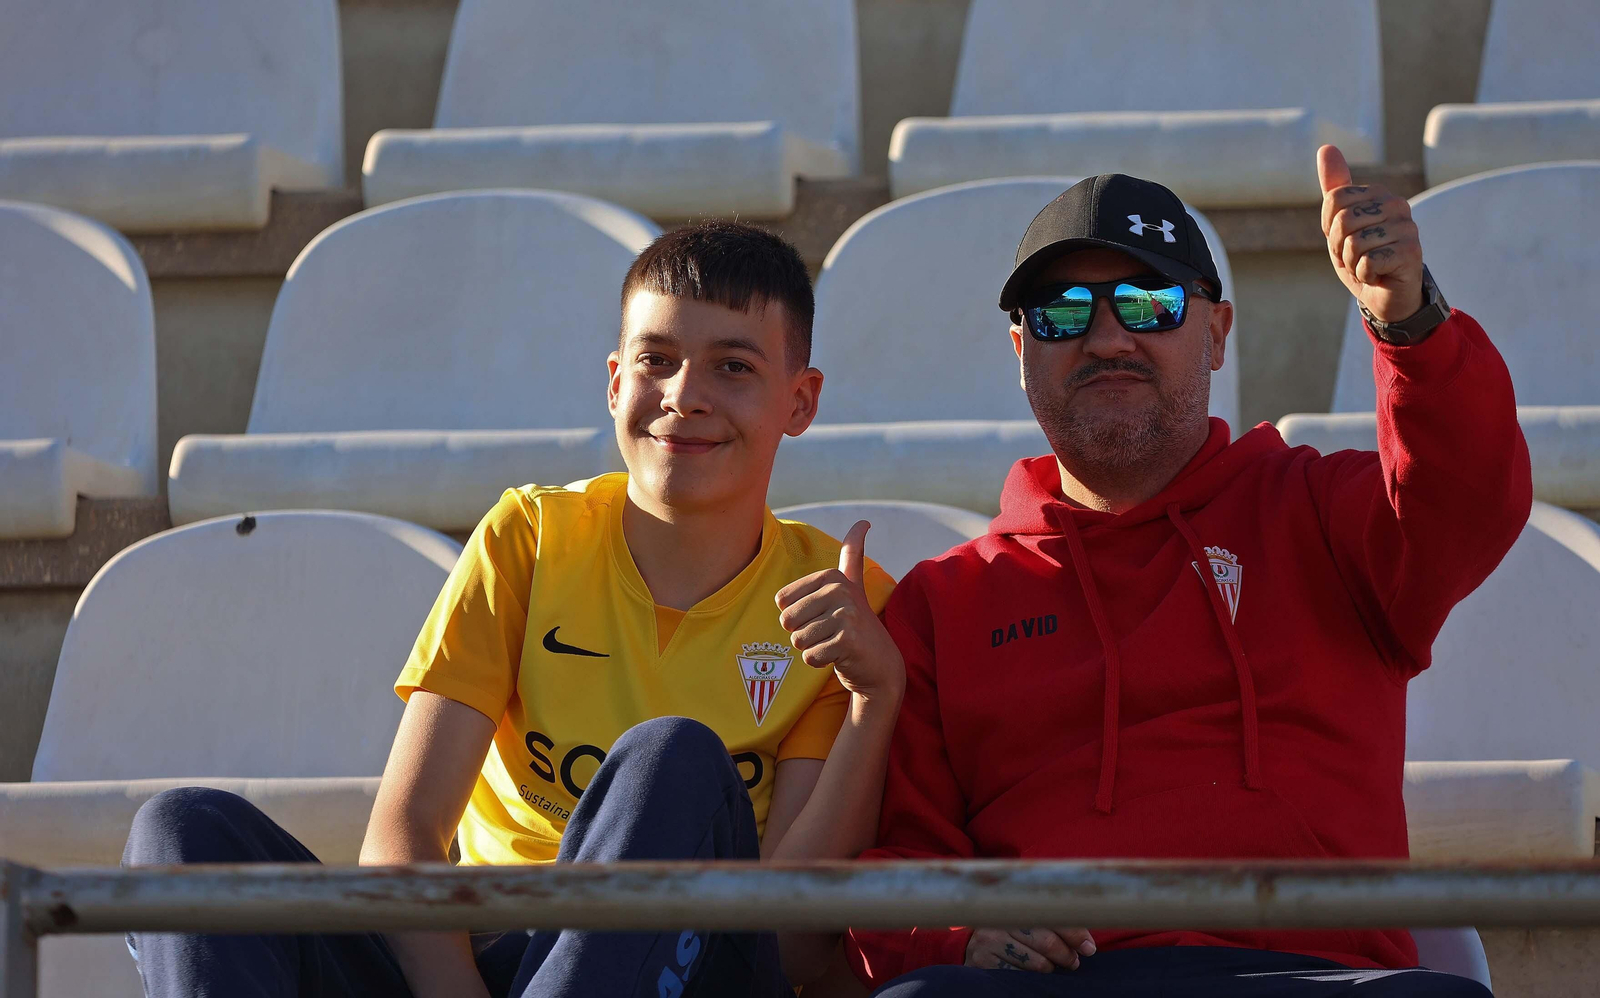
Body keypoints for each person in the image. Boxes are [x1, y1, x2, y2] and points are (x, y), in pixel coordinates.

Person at [123, 221, 903, 997]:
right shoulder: (531, 536)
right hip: (475, 965)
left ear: (800, 401)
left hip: (685, 968)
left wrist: (877, 699)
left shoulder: (844, 601)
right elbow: (406, 836)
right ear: (612, 383)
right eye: (655, 361)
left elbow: (795, 948)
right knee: (184, 835)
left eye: (732, 366)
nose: (683, 396)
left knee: (673, 760)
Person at [847, 148, 1531, 998]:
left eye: (1149, 302)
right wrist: (961, 934)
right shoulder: (943, 603)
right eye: (1062, 313)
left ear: (1215, 331)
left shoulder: (1320, 511)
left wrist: (1410, 321)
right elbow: (902, 861)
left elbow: (1467, 499)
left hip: (1311, 979)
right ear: (1021, 346)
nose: (1107, 337)